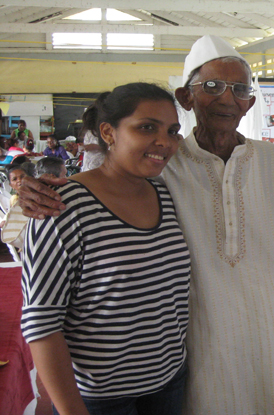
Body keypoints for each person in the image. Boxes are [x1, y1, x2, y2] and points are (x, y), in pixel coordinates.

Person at [19, 35, 274, 415]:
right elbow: (106, 185)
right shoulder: (161, 165)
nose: (227, 98)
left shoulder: (272, 160)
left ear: (250, 103)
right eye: (211, 86)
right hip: (202, 347)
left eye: (239, 89)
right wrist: (37, 193)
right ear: (187, 97)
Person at [20, 82, 191, 415]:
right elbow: (42, 323)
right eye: (146, 128)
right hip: (100, 398)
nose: (164, 142)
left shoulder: (169, 195)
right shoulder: (61, 207)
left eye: (172, 131)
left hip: (169, 383)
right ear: (109, 133)